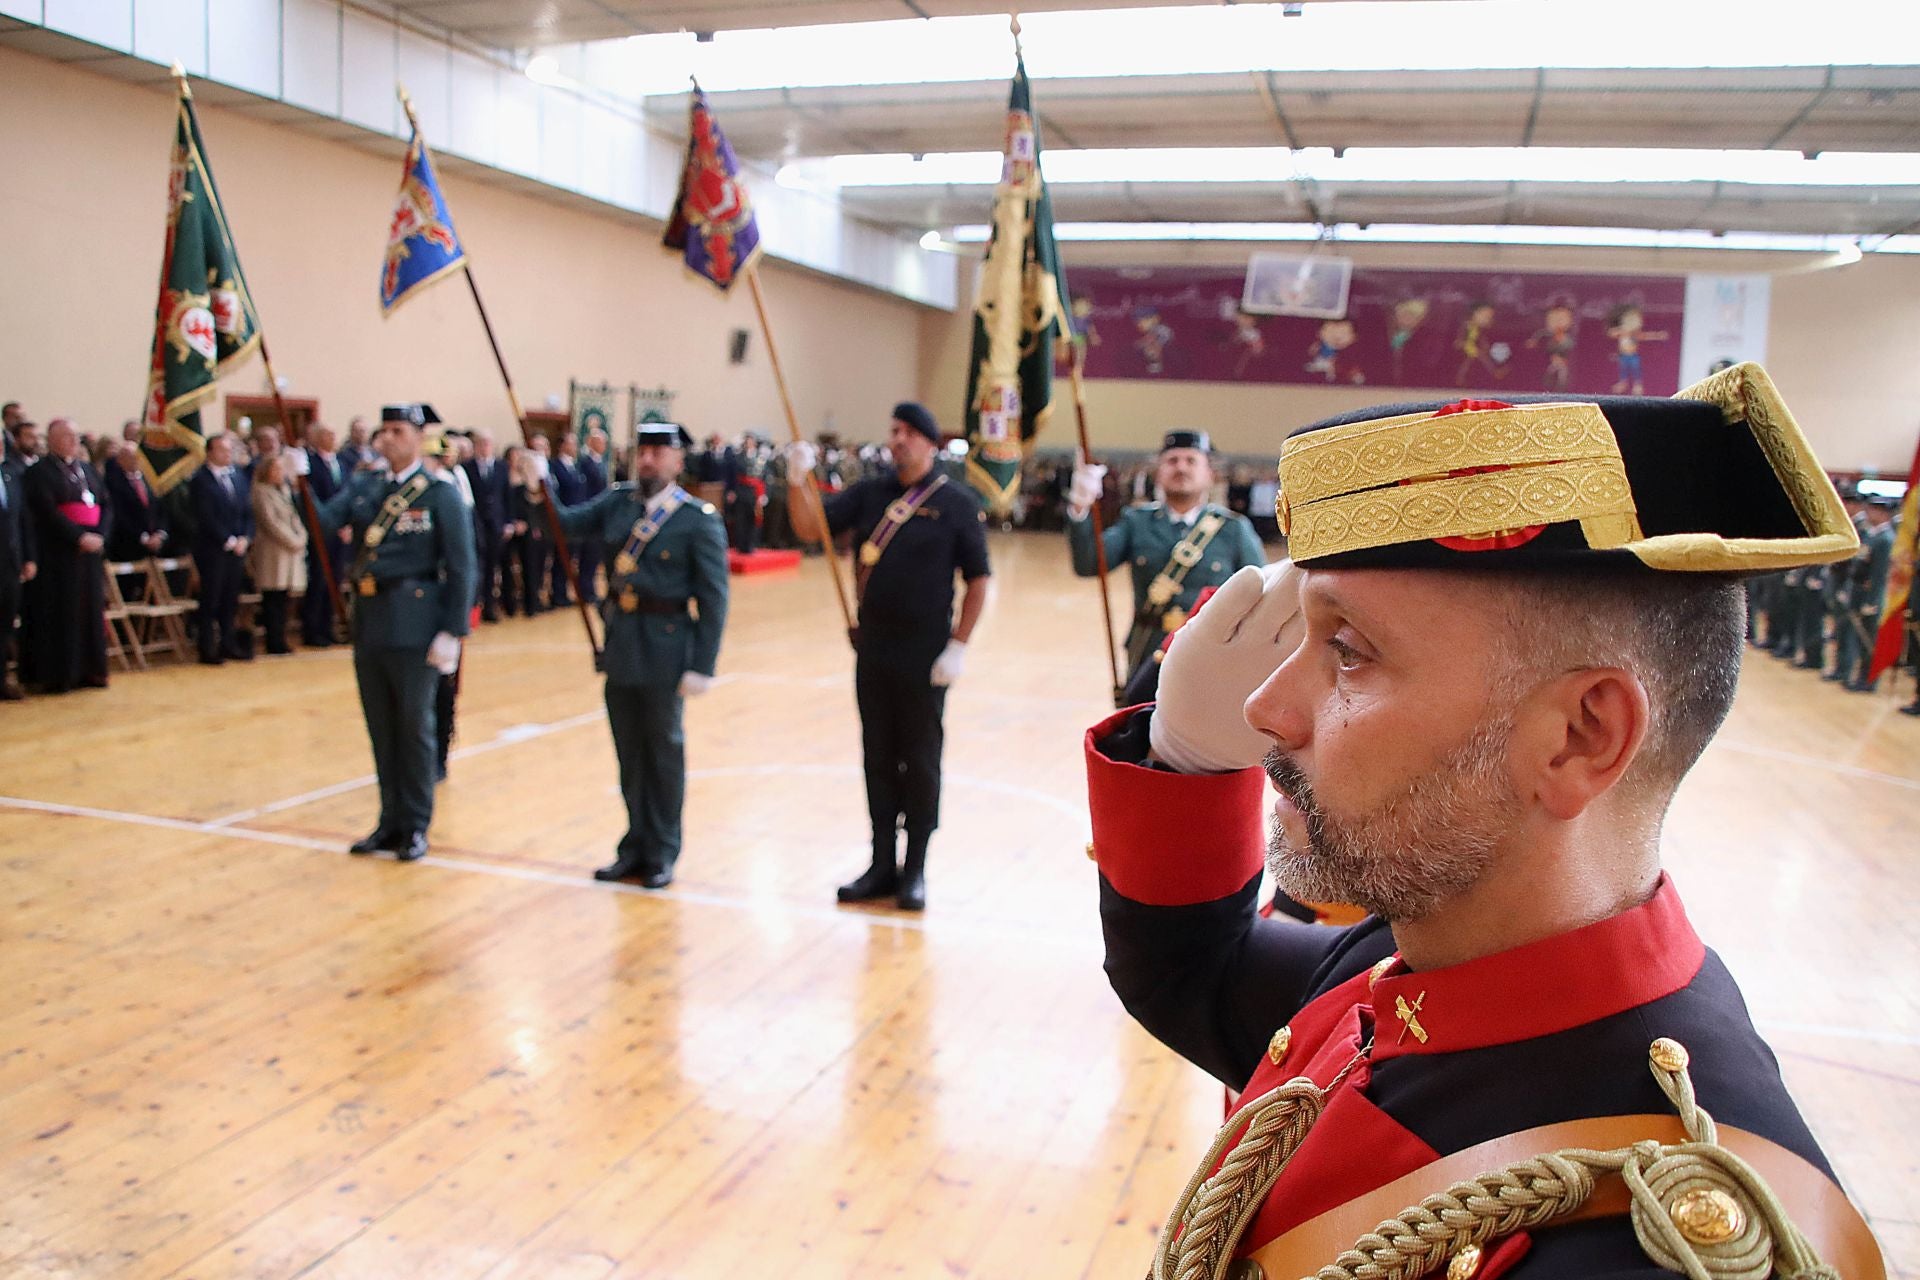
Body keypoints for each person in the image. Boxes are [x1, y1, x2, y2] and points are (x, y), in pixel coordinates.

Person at [1085, 367, 1878, 1278]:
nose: (1265, 707)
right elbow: (1191, 971)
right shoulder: (1421, 948)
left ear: (1580, 737)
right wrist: (1180, 757)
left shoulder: (1642, 1246)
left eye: (1346, 651)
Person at [787, 402, 990, 911]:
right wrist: (796, 479)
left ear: (928, 442)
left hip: (926, 655)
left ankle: (915, 867)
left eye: (907, 432)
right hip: (873, 648)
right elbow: (812, 529)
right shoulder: (870, 492)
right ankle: (881, 864)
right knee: (877, 756)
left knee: (919, 760)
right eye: (893, 430)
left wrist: (959, 645)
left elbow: (979, 579)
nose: (897, 440)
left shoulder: (956, 502)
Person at [292, 404, 475, 862]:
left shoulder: (440, 494)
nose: (387, 439)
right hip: (371, 620)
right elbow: (322, 525)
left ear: (417, 438)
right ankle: (388, 821)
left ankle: (415, 825)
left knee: (414, 728)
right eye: (383, 431)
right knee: (381, 729)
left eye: (397, 431)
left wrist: (453, 631)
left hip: (416, 624)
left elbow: (461, 565)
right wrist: (297, 484)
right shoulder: (364, 486)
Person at [554, 422, 729, 887]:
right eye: (643, 452)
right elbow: (562, 527)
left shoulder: (697, 519)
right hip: (623, 643)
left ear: (677, 461)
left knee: (663, 752)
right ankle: (634, 844)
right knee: (629, 753)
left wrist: (702, 665)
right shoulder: (617, 503)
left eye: (658, 452)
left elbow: (714, 598)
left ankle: (663, 850)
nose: (648, 460)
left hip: (668, 646)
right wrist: (536, 488)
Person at [1066, 429, 1265, 705]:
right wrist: (1080, 505)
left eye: (1191, 461)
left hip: (1212, 655)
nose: (1181, 467)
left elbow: (1261, 597)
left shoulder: (1234, 530)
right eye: (1172, 461)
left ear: (1210, 474)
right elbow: (1089, 563)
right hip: (1149, 653)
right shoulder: (1136, 522)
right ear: (1158, 473)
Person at [20, 419, 112, 692]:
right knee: (61, 614)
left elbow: (106, 505)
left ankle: (90, 670)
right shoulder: (39, 472)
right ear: (52, 439)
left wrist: (100, 536)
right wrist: (78, 537)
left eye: (75, 436)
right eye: (67, 436)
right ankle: (61, 675)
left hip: (90, 553)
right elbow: (47, 512)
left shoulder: (86, 469)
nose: (74, 441)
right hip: (59, 555)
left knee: (90, 612)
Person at [421, 431, 476, 780]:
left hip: (445, 601)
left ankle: (439, 753)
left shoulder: (449, 492)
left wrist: (459, 616)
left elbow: (465, 557)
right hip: (415, 605)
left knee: (444, 685)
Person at [188, 432, 255, 664]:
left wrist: (245, 537)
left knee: (230, 598)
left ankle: (228, 643)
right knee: (211, 599)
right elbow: (204, 516)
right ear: (210, 452)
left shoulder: (237, 475)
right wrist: (226, 539)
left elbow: (247, 510)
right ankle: (207, 648)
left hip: (237, 547)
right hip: (213, 548)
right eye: (222, 450)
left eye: (229, 450)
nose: (228, 454)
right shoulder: (200, 479)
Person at [247, 453, 307, 655]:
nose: (281, 473)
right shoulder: (261, 492)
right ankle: (273, 640)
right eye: (277, 469)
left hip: (289, 550)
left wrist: (301, 537)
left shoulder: (284, 490)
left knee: (284, 598)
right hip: (273, 551)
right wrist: (292, 540)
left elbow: (294, 517)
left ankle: (282, 637)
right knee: (273, 598)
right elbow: (270, 522)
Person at [1835, 497, 1896, 691]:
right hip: (1858, 592)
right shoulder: (1872, 534)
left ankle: (1868, 680)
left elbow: (1880, 574)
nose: (1869, 513)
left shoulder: (1886, 539)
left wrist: (1873, 601)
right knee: (1856, 637)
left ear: (1884, 514)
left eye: (1874, 510)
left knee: (1868, 641)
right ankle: (1857, 675)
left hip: (1870, 597)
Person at [300, 423, 352, 647]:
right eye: (327, 435)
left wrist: (348, 524)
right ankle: (312, 629)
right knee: (319, 581)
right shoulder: (311, 464)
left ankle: (328, 626)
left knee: (335, 581)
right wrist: (331, 523)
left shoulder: (341, 462)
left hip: (342, 534)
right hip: (322, 532)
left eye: (333, 435)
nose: (332, 439)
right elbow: (313, 499)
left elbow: (349, 494)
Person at [0, 427, 36, 700]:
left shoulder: (11, 474)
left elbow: (24, 520)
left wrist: (29, 557)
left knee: (5, 622)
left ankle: (1, 679)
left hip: (10, 563)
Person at [462, 429, 508, 621]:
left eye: (488, 444)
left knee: (492, 567)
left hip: (496, 524)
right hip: (475, 524)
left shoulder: (500, 467)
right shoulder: (467, 467)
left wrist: (508, 522)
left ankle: (489, 606)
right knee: (476, 566)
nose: (485, 448)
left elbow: (507, 496)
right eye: (481, 444)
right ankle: (474, 607)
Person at [103, 442, 169, 564]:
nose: (136, 460)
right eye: (131, 457)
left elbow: (161, 509)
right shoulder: (113, 484)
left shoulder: (150, 481)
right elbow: (119, 514)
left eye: (138, 457)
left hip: (155, 547)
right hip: (128, 547)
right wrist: (143, 538)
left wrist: (160, 534)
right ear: (120, 460)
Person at [506, 446, 551, 616]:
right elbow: (509, 504)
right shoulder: (510, 479)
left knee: (534, 567)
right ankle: (519, 603)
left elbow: (534, 507)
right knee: (521, 567)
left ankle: (533, 602)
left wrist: (532, 525)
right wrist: (514, 522)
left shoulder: (531, 480)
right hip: (515, 527)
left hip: (531, 528)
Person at [548, 434, 588, 606]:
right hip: (564, 517)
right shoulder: (555, 466)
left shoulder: (576, 466)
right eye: (571, 443)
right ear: (562, 445)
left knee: (571, 559)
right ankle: (557, 594)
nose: (574, 447)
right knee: (561, 558)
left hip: (577, 517)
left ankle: (564, 592)